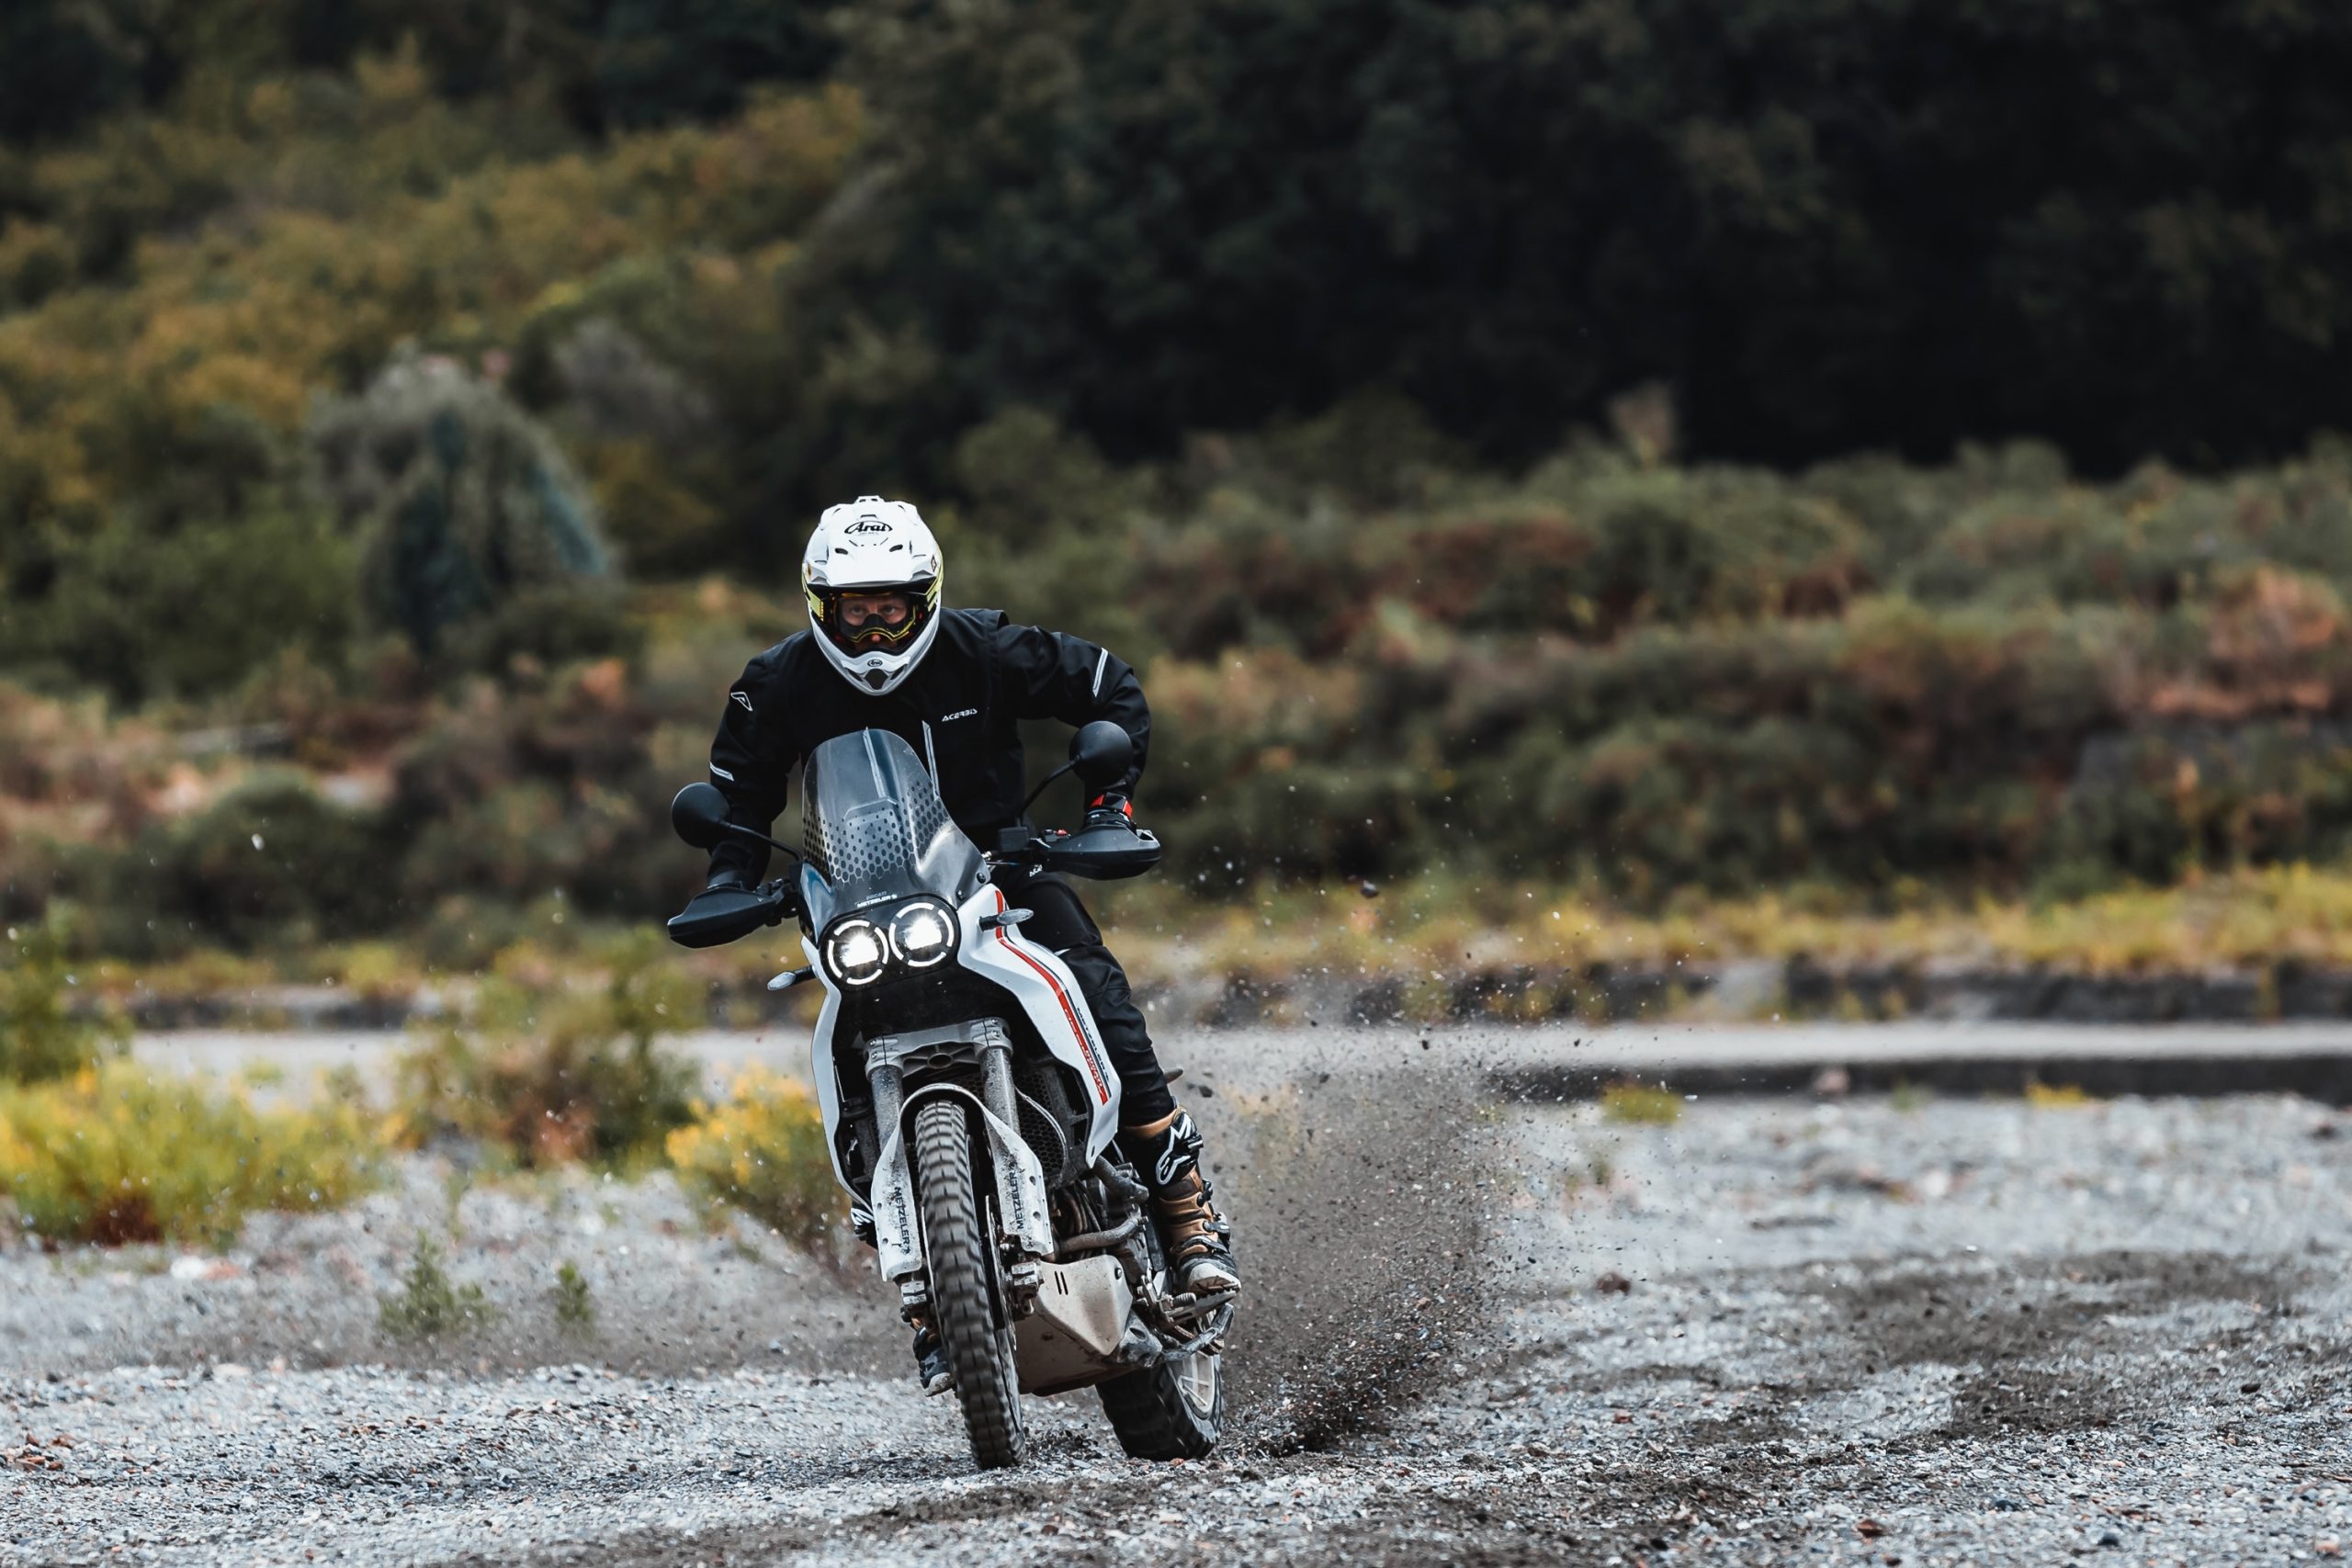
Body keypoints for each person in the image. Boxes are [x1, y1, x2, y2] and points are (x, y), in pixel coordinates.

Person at [678, 495, 1238, 1391]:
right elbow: (739, 795)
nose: (872, 630)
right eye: (854, 611)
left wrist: (1107, 806)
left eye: (890, 608)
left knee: (1095, 987)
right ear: (820, 606)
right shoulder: (776, 682)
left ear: (925, 598)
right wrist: (730, 877)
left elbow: (1108, 687)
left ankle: (1182, 1203)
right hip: (863, 905)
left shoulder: (984, 648)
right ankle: (928, 1276)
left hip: (999, 875)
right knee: (842, 1033)